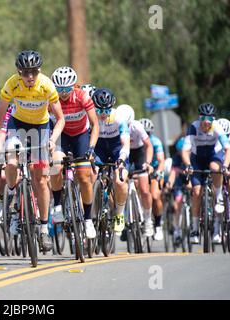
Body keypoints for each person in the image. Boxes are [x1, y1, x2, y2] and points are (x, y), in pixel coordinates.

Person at [0, 50, 65, 252]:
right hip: (18, 125)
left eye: (33, 72)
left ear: (38, 71)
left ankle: (43, 228)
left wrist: (52, 140)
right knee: (12, 162)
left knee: (40, 178)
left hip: (41, 129)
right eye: (25, 73)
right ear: (19, 72)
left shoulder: (47, 86)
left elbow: (60, 119)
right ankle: (14, 199)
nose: (30, 77)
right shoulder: (11, 84)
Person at [49, 66, 98, 239]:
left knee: (84, 177)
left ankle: (88, 219)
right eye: (59, 89)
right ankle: (57, 205)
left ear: (74, 86)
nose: (63, 93)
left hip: (80, 136)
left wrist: (91, 148)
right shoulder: (52, 99)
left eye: (67, 89)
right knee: (55, 165)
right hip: (62, 135)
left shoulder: (82, 97)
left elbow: (95, 125)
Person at [181, 103, 230, 244]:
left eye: (209, 120)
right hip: (197, 159)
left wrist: (225, 166)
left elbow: (228, 149)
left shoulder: (217, 127)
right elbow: (185, 150)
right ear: (200, 118)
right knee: (196, 192)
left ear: (213, 120)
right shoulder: (194, 127)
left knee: (215, 167)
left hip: (213, 156)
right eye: (203, 119)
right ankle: (195, 229)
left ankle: (219, 199)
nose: (206, 123)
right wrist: (188, 165)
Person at [92, 88, 130, 234]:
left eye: (106, 111)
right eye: (99, 111)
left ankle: (119, 214)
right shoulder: (90, 116)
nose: (102, 114)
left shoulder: (118, 117)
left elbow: (125, 143)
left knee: (120, 181)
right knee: (90, 175)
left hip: (116, 148)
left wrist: (121, 159)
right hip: (98, 147)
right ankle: (92, 213)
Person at [117, 105, 156, 239]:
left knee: (145, 190)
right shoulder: (117, 124)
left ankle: (148, 220)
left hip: (139, 153)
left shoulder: (137, 126)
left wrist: (148, 163)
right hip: (124, 153)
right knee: (120, 183)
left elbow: (149, 145)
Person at [140, 118, 165, 240]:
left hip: (154, 170)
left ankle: (159, 225)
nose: (146, 135)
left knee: (155, 196)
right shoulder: (136, 141)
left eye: (148, 133)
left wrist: (159, 171)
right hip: (140, 169)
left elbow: (161, 161)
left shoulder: (155, 142)